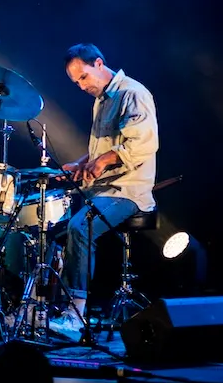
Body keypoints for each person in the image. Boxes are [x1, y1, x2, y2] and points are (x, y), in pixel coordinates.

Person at [48, 44, 158, 338]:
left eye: (83, 77)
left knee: (80, 228)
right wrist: (81, 163)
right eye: (77, 83)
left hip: (127, 191)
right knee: (50, 232)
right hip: (102, 191)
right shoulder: (102, 100)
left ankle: (75, 317)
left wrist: (103, 161)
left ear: (98, 63)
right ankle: (43, 307)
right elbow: (104, 149)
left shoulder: (131, 94)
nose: (82, 86)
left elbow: (142, 145)